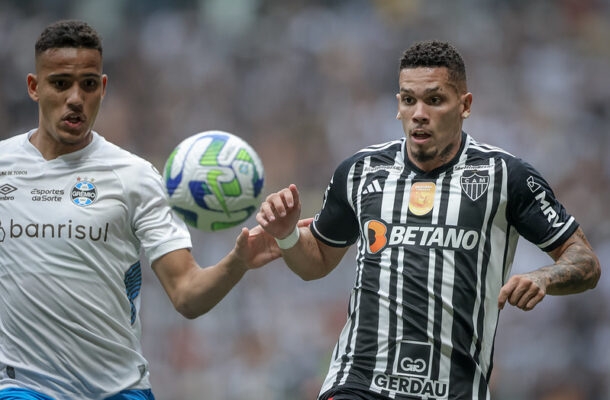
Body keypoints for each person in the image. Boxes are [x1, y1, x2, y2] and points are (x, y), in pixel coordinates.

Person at [256, 40, 601, 400]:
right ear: (398, 106)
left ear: (465, 105)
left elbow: (585, 261)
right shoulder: (360, 172)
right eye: (409, 100)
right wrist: (286, 237)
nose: (419, 113)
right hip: (360, 382)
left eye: (434, 100)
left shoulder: (506, 176)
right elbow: (317, 262)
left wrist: (543, 276)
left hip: (453, 390)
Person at [0, 19, 280, 400]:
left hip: (118, 390)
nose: (75, 98)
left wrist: (238, 261)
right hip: (22, 388)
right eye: (60, 83)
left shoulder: (135, 177)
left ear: (103, 87)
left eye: (88, 84)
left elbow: (186, 294)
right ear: (35, 87)